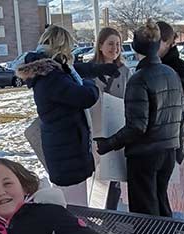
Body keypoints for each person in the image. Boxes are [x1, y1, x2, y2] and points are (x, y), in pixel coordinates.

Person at [16, 25, 118, 204]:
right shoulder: (51, 78)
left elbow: (74, 70)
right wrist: (89, 84)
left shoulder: (47, 70)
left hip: (63, 148)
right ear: (60, 47)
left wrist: (98, 70)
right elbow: (85, 97)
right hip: (66, 152)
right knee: (75, 206)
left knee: (68, 201)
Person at [93, 20, 183, 217]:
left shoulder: (139, 78)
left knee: (145, 212)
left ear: (134, 46)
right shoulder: (171, 73)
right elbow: (179, 116)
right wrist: (180, 147)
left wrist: (108, 143)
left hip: (145, 155)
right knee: (161, 201)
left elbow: (136, 127)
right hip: (168, 150)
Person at [86, 27, 130, 210]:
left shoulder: (124, 71)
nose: (115, 48)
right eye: (111, 44)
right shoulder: (88, 70)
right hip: (94, 131)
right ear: (100, 45)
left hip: (116, 131)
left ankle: (110, 216)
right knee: (96, 180)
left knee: (113, 180)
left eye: (118, 44)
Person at [157, 21, 184, 165]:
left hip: (170, 138)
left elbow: (174, 106)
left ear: (166, 43)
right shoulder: (151, 65)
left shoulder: (178, 67)